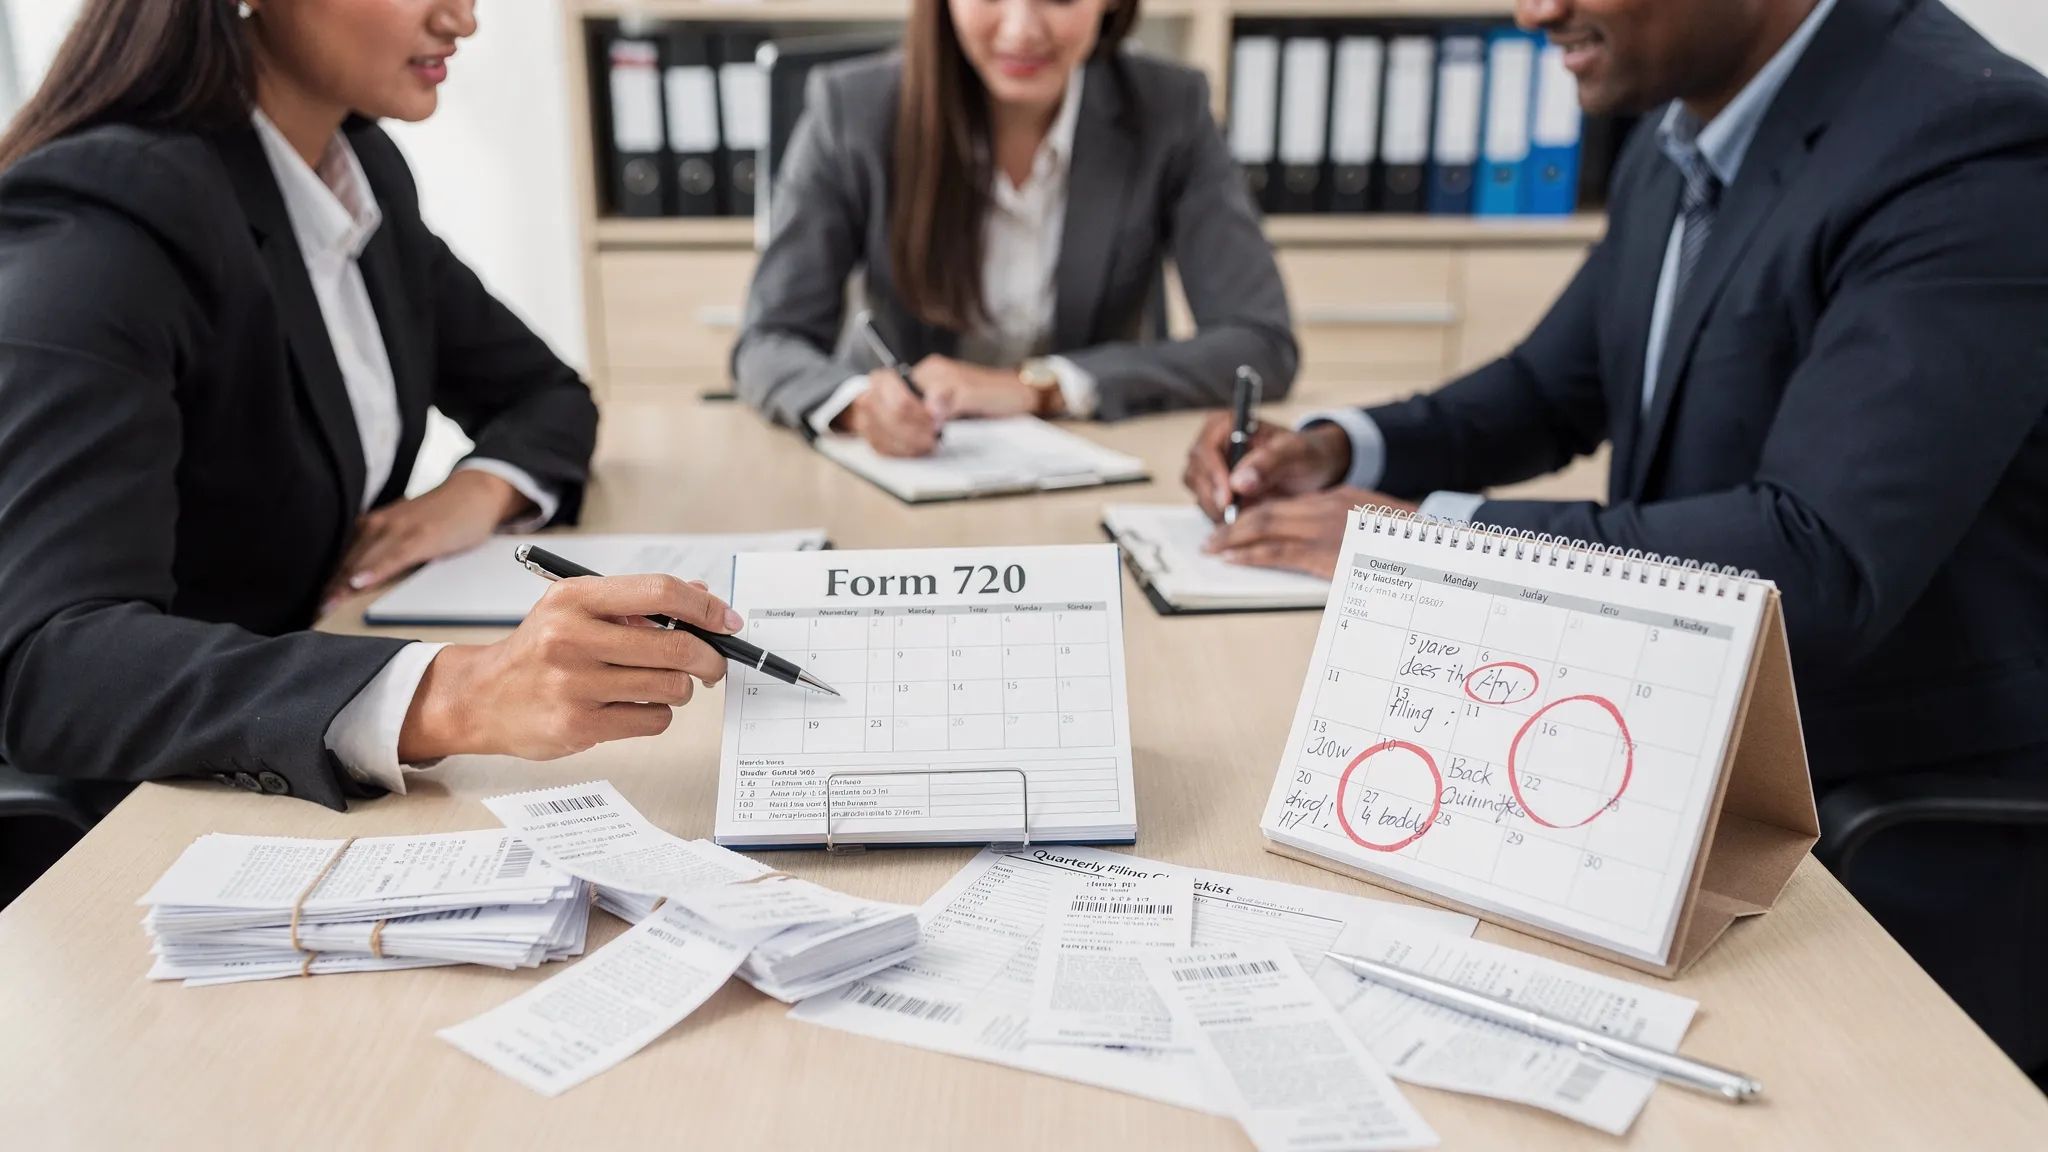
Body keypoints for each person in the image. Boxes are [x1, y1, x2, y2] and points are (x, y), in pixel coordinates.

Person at [1186, 0, 2048, 1078]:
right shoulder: (1682, 122)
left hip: (1869, 833)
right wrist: (1340, 449)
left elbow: (1817, 559)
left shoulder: (1967, 142)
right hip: (1649, 758)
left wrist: (1428, 539)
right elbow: (1554, 388)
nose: (1531, 11)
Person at [0, 0, 741, 821]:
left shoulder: (354, 172)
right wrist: (456, 693)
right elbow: (49, 662)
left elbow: (543, 392)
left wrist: (478, 493)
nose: (461, 19)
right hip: (153, 807)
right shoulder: (102, 222)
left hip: (302, 762)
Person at [732, 0, 1298, 456]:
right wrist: (857, 404)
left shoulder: (1170, 109)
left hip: (1089, 468)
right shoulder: (852, 109)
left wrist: (1039, 388)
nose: (1022, 27)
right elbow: (768, 340)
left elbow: (1260, 344)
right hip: (909, 469)